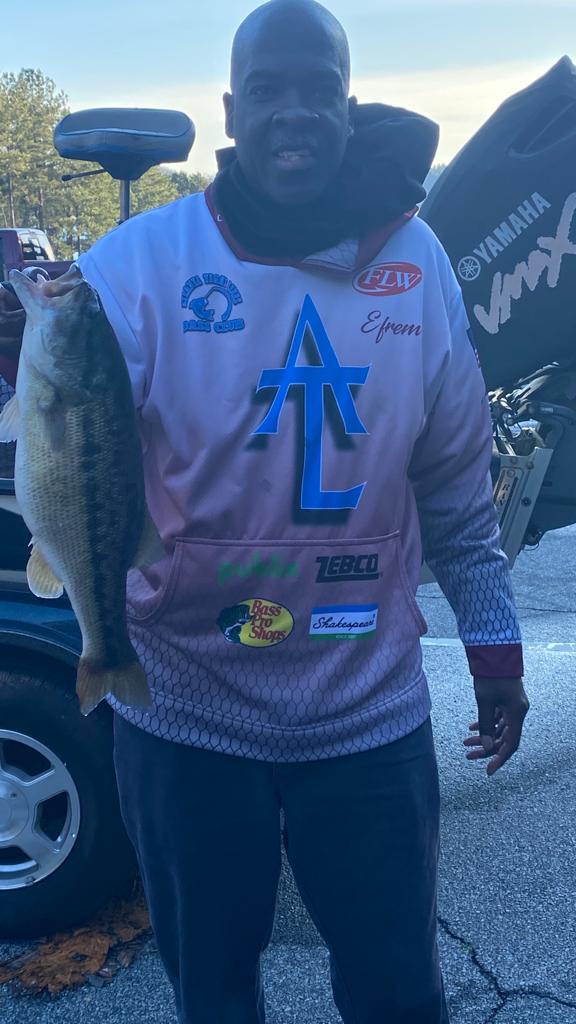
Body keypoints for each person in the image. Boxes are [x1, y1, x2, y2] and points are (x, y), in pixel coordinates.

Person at [0, 2, 529, 1021]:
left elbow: (459, 493)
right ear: (232, 111)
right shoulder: (134, 266)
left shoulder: (416, 263)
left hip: (368, 717)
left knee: (399, 996)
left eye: (319, 88)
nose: (296, 111)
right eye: (269, 90)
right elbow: (67, 439)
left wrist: (495, 650)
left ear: (347, 102)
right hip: (181, 711)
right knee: (213, 997)